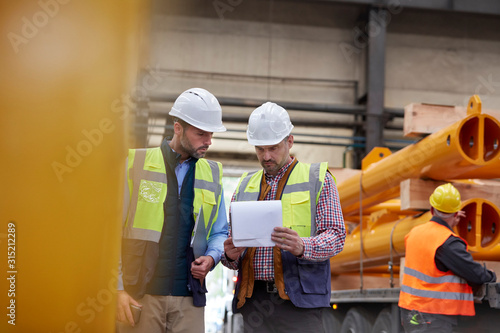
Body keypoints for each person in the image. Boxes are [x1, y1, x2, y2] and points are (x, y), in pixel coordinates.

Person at [221, 102, 346, 332]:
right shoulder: (244, 185)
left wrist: (303, 246)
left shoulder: (318, 179)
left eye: (273, 148)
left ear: (290, 141)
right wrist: (229, 256)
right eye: (260, 149)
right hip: (254, 301)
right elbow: (232, 247)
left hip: (298, 303)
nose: (266, 156)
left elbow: (336, 236)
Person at [116, 88, 229, 332]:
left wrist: (211, 257)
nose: (208, 141)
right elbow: (110, 232)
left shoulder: (212, 174)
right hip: (141, 297)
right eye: (201, 133)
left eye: (210, 133)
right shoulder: (135, 165)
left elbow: (220, 232)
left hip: (189, 299)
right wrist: (117, 288)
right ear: (178, 128)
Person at [398, 183, 496, 333]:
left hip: (410, 312)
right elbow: (474, 273)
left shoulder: (414, 233)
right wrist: (491, 276)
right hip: (432, 317)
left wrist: (451, 225)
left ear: (431, 210)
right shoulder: (447, 242)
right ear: (456, 214)